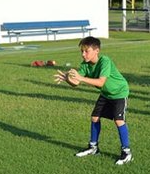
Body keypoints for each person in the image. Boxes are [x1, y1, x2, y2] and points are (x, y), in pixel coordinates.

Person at [54, 37, 133, 165]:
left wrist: (81, 77)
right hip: (106, 93)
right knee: (95, 117)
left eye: (86, 51)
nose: (83, 54)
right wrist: (67, 79)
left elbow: (101, 82)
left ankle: (127, 152)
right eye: (82, 51)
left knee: (119, 121)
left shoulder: (104, 61)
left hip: (119, 92)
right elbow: (76, 83)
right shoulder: (85, 65)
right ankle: (93, 148)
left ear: (97, 50)